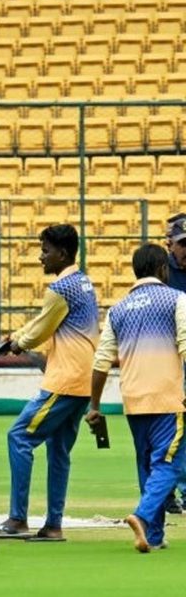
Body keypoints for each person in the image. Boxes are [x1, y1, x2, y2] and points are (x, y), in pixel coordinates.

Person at [0, 224, 99, 542]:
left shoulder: (60, 289)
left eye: (45, 250)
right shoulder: (83, 282)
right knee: (59, 452)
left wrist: (18, 343)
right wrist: (17, 337)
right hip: (82, 380)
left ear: (62, 253)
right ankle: (53, 525)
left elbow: (40, 330)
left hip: (63, 381)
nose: (40, 257)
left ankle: (18, 519)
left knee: (19, 436)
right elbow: (43, 321)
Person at [88, 243, 186, 553]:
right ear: (162, 269)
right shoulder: (177, 300)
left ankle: (153, 536)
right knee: (171, 464)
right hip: (168, 398)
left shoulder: (118, 309)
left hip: (133, 399)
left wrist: (94, 406)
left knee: (148, 465)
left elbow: (101, 361)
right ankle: (142, 517)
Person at [162, 214, 186, 513]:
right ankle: (166, 492)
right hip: (166, 357)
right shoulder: (161, 270)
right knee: (168, 429)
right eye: (183, 244)